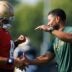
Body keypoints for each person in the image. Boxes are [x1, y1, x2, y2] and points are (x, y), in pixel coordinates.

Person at [0, 1, 26, 72]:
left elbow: (6, 49)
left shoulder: (5, 31)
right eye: (5, 20)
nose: (8, 23)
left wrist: (17, 42)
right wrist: (12, 61)